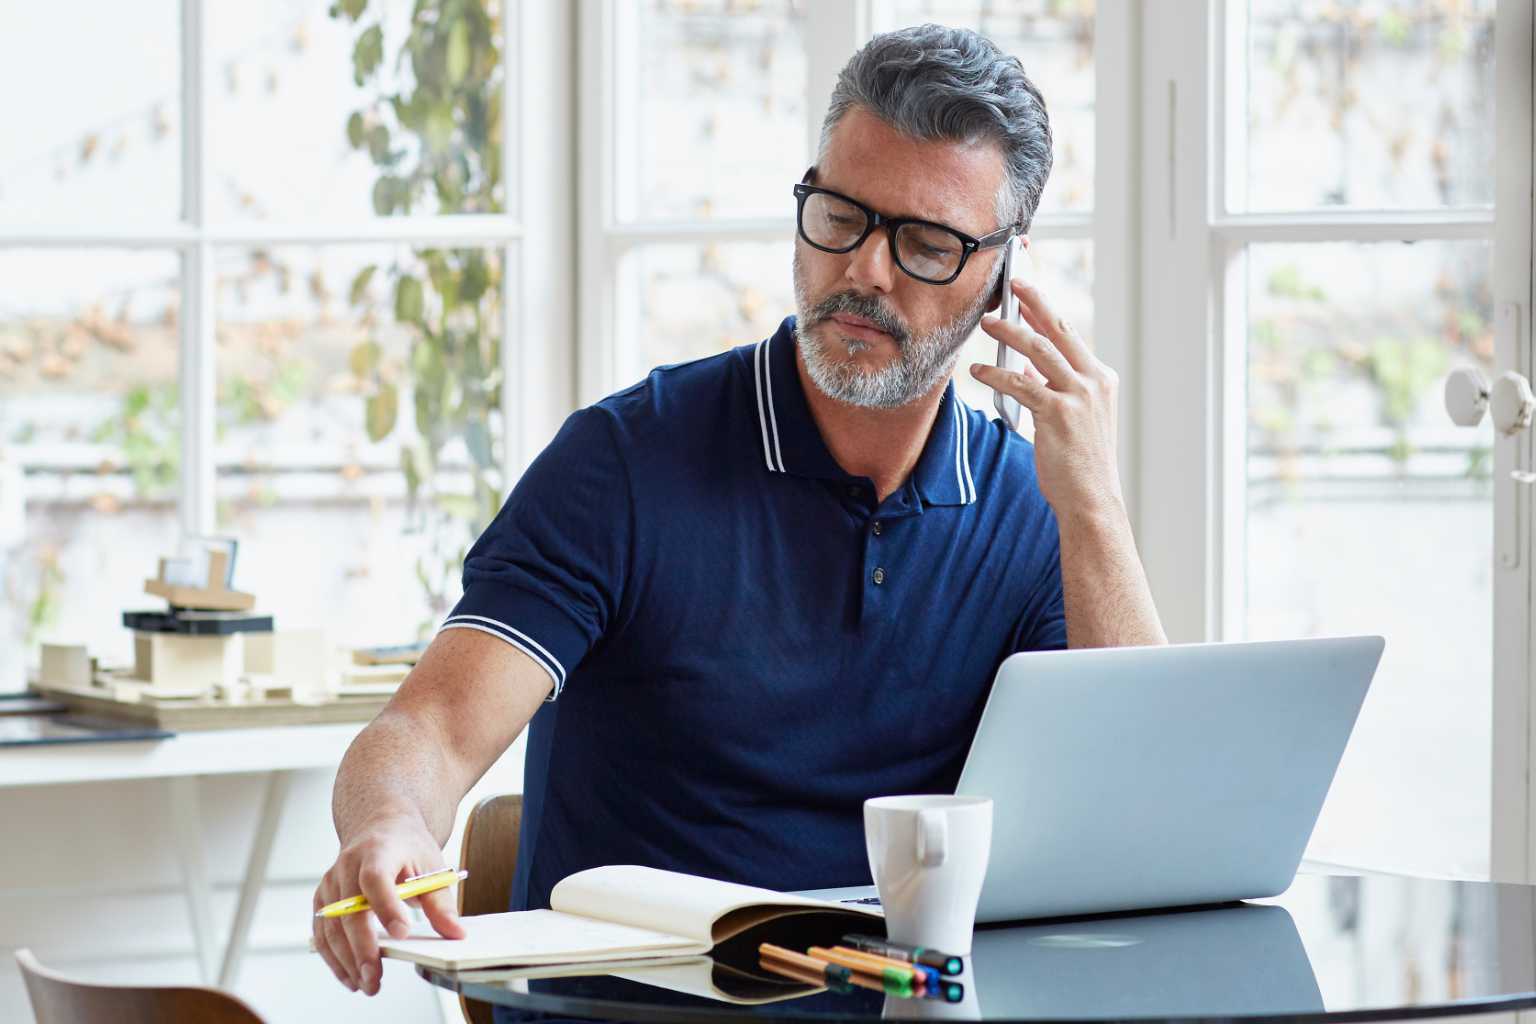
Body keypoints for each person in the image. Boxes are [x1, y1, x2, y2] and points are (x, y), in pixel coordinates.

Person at [313, 23, 1165, 997]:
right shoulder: (625, 464)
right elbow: (429, 729)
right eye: (841, 215)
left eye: (926, 244)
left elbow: (1136, 817)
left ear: (1005, 274)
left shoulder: (1032, 506)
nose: (867, 272)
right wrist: (388, 824)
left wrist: (1095, 506)